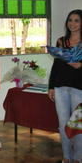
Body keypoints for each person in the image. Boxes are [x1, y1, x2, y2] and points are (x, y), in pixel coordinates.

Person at [48, 9, 82, 163]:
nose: (72, 23)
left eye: (76, 20)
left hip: (78, 88)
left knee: (78, 126)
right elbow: (56, 65)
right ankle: (66, 157)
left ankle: (77, 158)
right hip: (60, 88)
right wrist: (51, 86)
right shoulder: (61, 41)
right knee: (63, 125)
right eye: (70, 20)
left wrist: (81, 65)